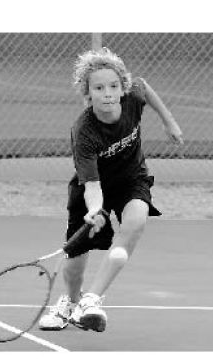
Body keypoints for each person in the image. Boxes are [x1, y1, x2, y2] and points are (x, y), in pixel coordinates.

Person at [39, 47, 183, 332]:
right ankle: (70, 301)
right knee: (76, 263)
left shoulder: (132, 97)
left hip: (131, 179)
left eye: (114, 86)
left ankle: (91, 300)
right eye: (99, 87)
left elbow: (144, 87)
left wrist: (170, 121)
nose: (107, 92)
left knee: (137, 219)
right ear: (88, 92)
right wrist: (95, 209)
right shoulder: (84, 131)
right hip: (93, 189)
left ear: (122, 88)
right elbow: (91, 184)